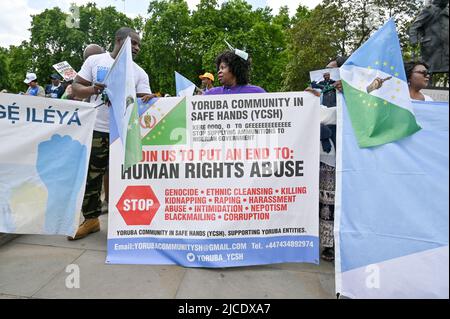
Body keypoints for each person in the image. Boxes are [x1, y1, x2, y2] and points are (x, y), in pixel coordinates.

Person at [70, 27, 155, 240]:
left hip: (124, 133)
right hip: (97, 129)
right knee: (92, 176)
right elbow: (76, 88)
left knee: (126, 177)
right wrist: (93, 90)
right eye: (133, 43)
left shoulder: (139, 72)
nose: (137, 48)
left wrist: (151, 100)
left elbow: (146, 102)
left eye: (139, 45)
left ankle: (127, 222)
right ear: (119, 40)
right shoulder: (95, 61)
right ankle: (91, 220)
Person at [409, 0, 449, 73]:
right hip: (431, 47)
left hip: (446, 47)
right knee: (427, 70)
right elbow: (415, 26)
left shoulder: (447, 11)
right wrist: (414, 40)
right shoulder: (429, 10)